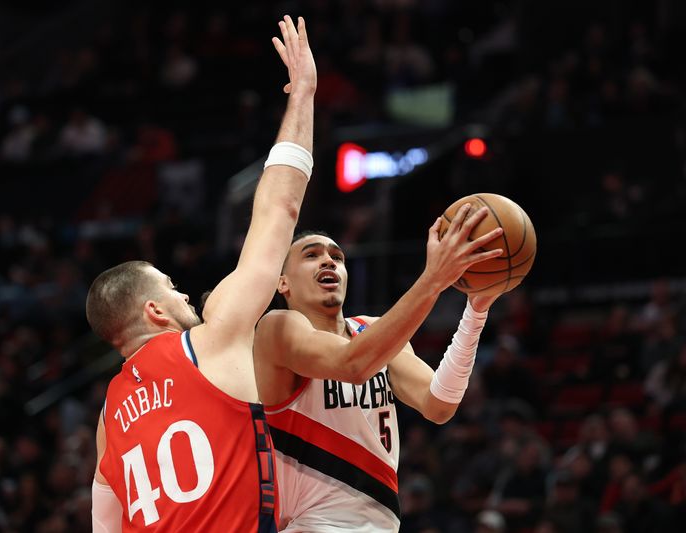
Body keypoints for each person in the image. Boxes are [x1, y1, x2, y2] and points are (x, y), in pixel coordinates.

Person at [88, 16, 316, 532]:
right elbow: (279, 210)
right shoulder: (210, 342)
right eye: (170, 286)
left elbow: (105, 524)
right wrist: (302, 95)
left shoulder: (109, 416)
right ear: (153, 310)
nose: (183, 291)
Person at [253, 212, 505, 532]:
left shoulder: (371, 331)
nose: (328, 261)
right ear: (283, 282)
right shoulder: (276, 327)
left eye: (337, 257)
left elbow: (439, 405)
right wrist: (433, 279)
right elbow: (353, 365)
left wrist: (476, 311)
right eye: (312, 255)